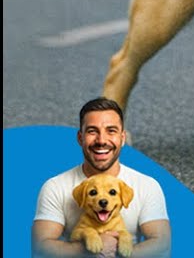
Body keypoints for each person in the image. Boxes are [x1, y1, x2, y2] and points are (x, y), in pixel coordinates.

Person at [32, 97, 171, 257]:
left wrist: (114, 253)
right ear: (80, 138)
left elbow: (162, 246)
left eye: (111, 131)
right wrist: (89, 251)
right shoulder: (55, 186)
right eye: (92, 131)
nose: (101, 140)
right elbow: (40, 248)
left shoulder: (147, 185)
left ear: (123, 138)